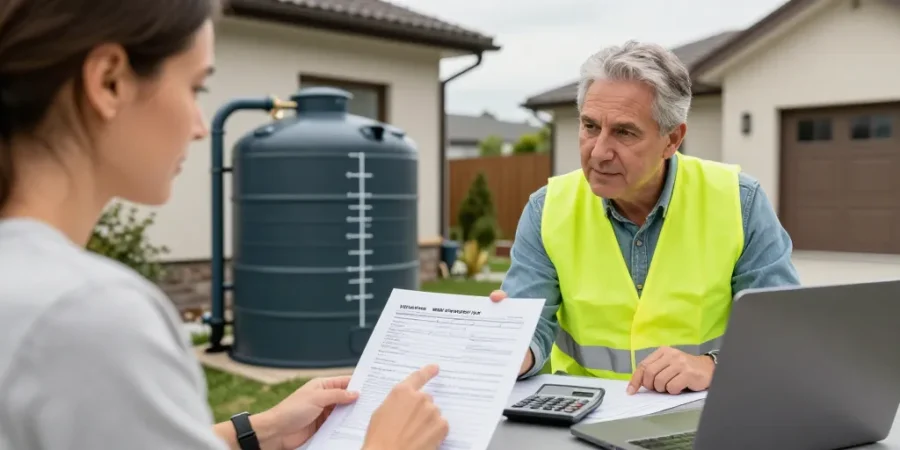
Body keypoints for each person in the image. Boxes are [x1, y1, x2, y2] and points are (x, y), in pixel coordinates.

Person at [0, 1, 449, 449]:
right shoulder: (89, 314)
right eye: (195, 88)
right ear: (109, 81)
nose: (199, 127)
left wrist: (259, 431)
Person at [490, 41, 801, 396]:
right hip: (580, 418)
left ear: (672, 139)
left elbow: (782, 332)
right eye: (590, 126)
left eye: (624, 132)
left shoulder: (739, 201)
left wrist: (713, 365)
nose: (599, 151)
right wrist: (513, 350)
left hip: (697, 418)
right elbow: (531, 327)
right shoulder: (546, 209)